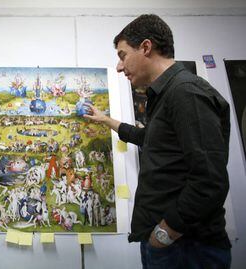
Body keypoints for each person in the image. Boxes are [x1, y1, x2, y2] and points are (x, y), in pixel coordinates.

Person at [84, 14, 231, 269]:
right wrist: (107, 121)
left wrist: (164, 234)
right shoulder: (168, 94)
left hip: (185, 247)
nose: (119, 67)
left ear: (146, 47)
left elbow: (209, 180)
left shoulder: (186, 93)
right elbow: (149, 139)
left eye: (122, 55)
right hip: (174, 245)